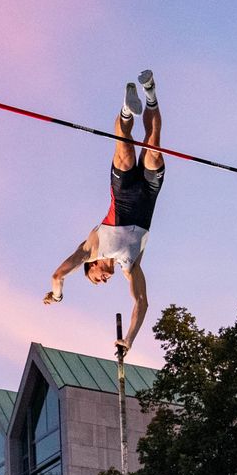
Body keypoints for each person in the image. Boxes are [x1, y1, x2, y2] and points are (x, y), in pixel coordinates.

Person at [43, 72, 164, 357]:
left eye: (96, 280)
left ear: (92, 268)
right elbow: (142, 303)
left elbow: (58, 274)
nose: (103, 281)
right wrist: (130, 340)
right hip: (148, 194)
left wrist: (57, 296)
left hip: (121, 194)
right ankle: (150, 93)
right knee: (154, 145)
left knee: (124, 144)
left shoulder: (90, 250)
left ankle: (125, 110)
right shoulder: (130, 267)